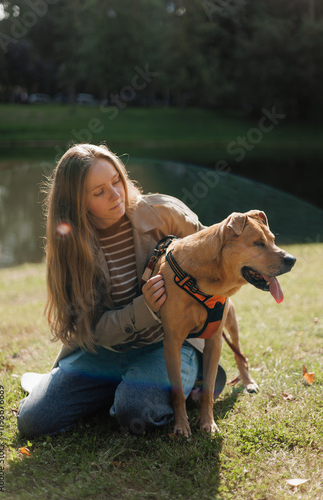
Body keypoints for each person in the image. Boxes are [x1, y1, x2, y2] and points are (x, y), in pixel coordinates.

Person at [17, 143, 226, 438]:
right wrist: (145, 309)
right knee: (34, 420)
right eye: (99, 192)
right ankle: (117, 387)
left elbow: (215, 260)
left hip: (167, 346)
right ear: (77, 202)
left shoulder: (164, 213)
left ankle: (169, 382)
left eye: (116, 181)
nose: (116, 195)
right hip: (102, 351)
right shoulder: (70, 248)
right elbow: (87, 327)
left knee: (136, 411)